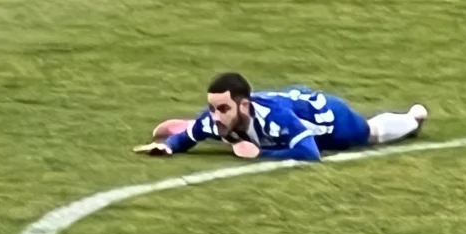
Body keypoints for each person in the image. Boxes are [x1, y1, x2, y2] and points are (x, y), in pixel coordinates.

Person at [136, 73, 427, 162]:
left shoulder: (276, 117)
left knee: (369, 134)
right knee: (214, 129)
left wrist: (260, 154)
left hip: (327, 117)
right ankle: (197, 124)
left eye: (223, 109)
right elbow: (187, 140)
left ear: (244, 106)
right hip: (286, 102)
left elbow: (310, 153)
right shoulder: (218, 117)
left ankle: (413, 118)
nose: (215, 115)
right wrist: (170, 146)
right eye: (212, 108)